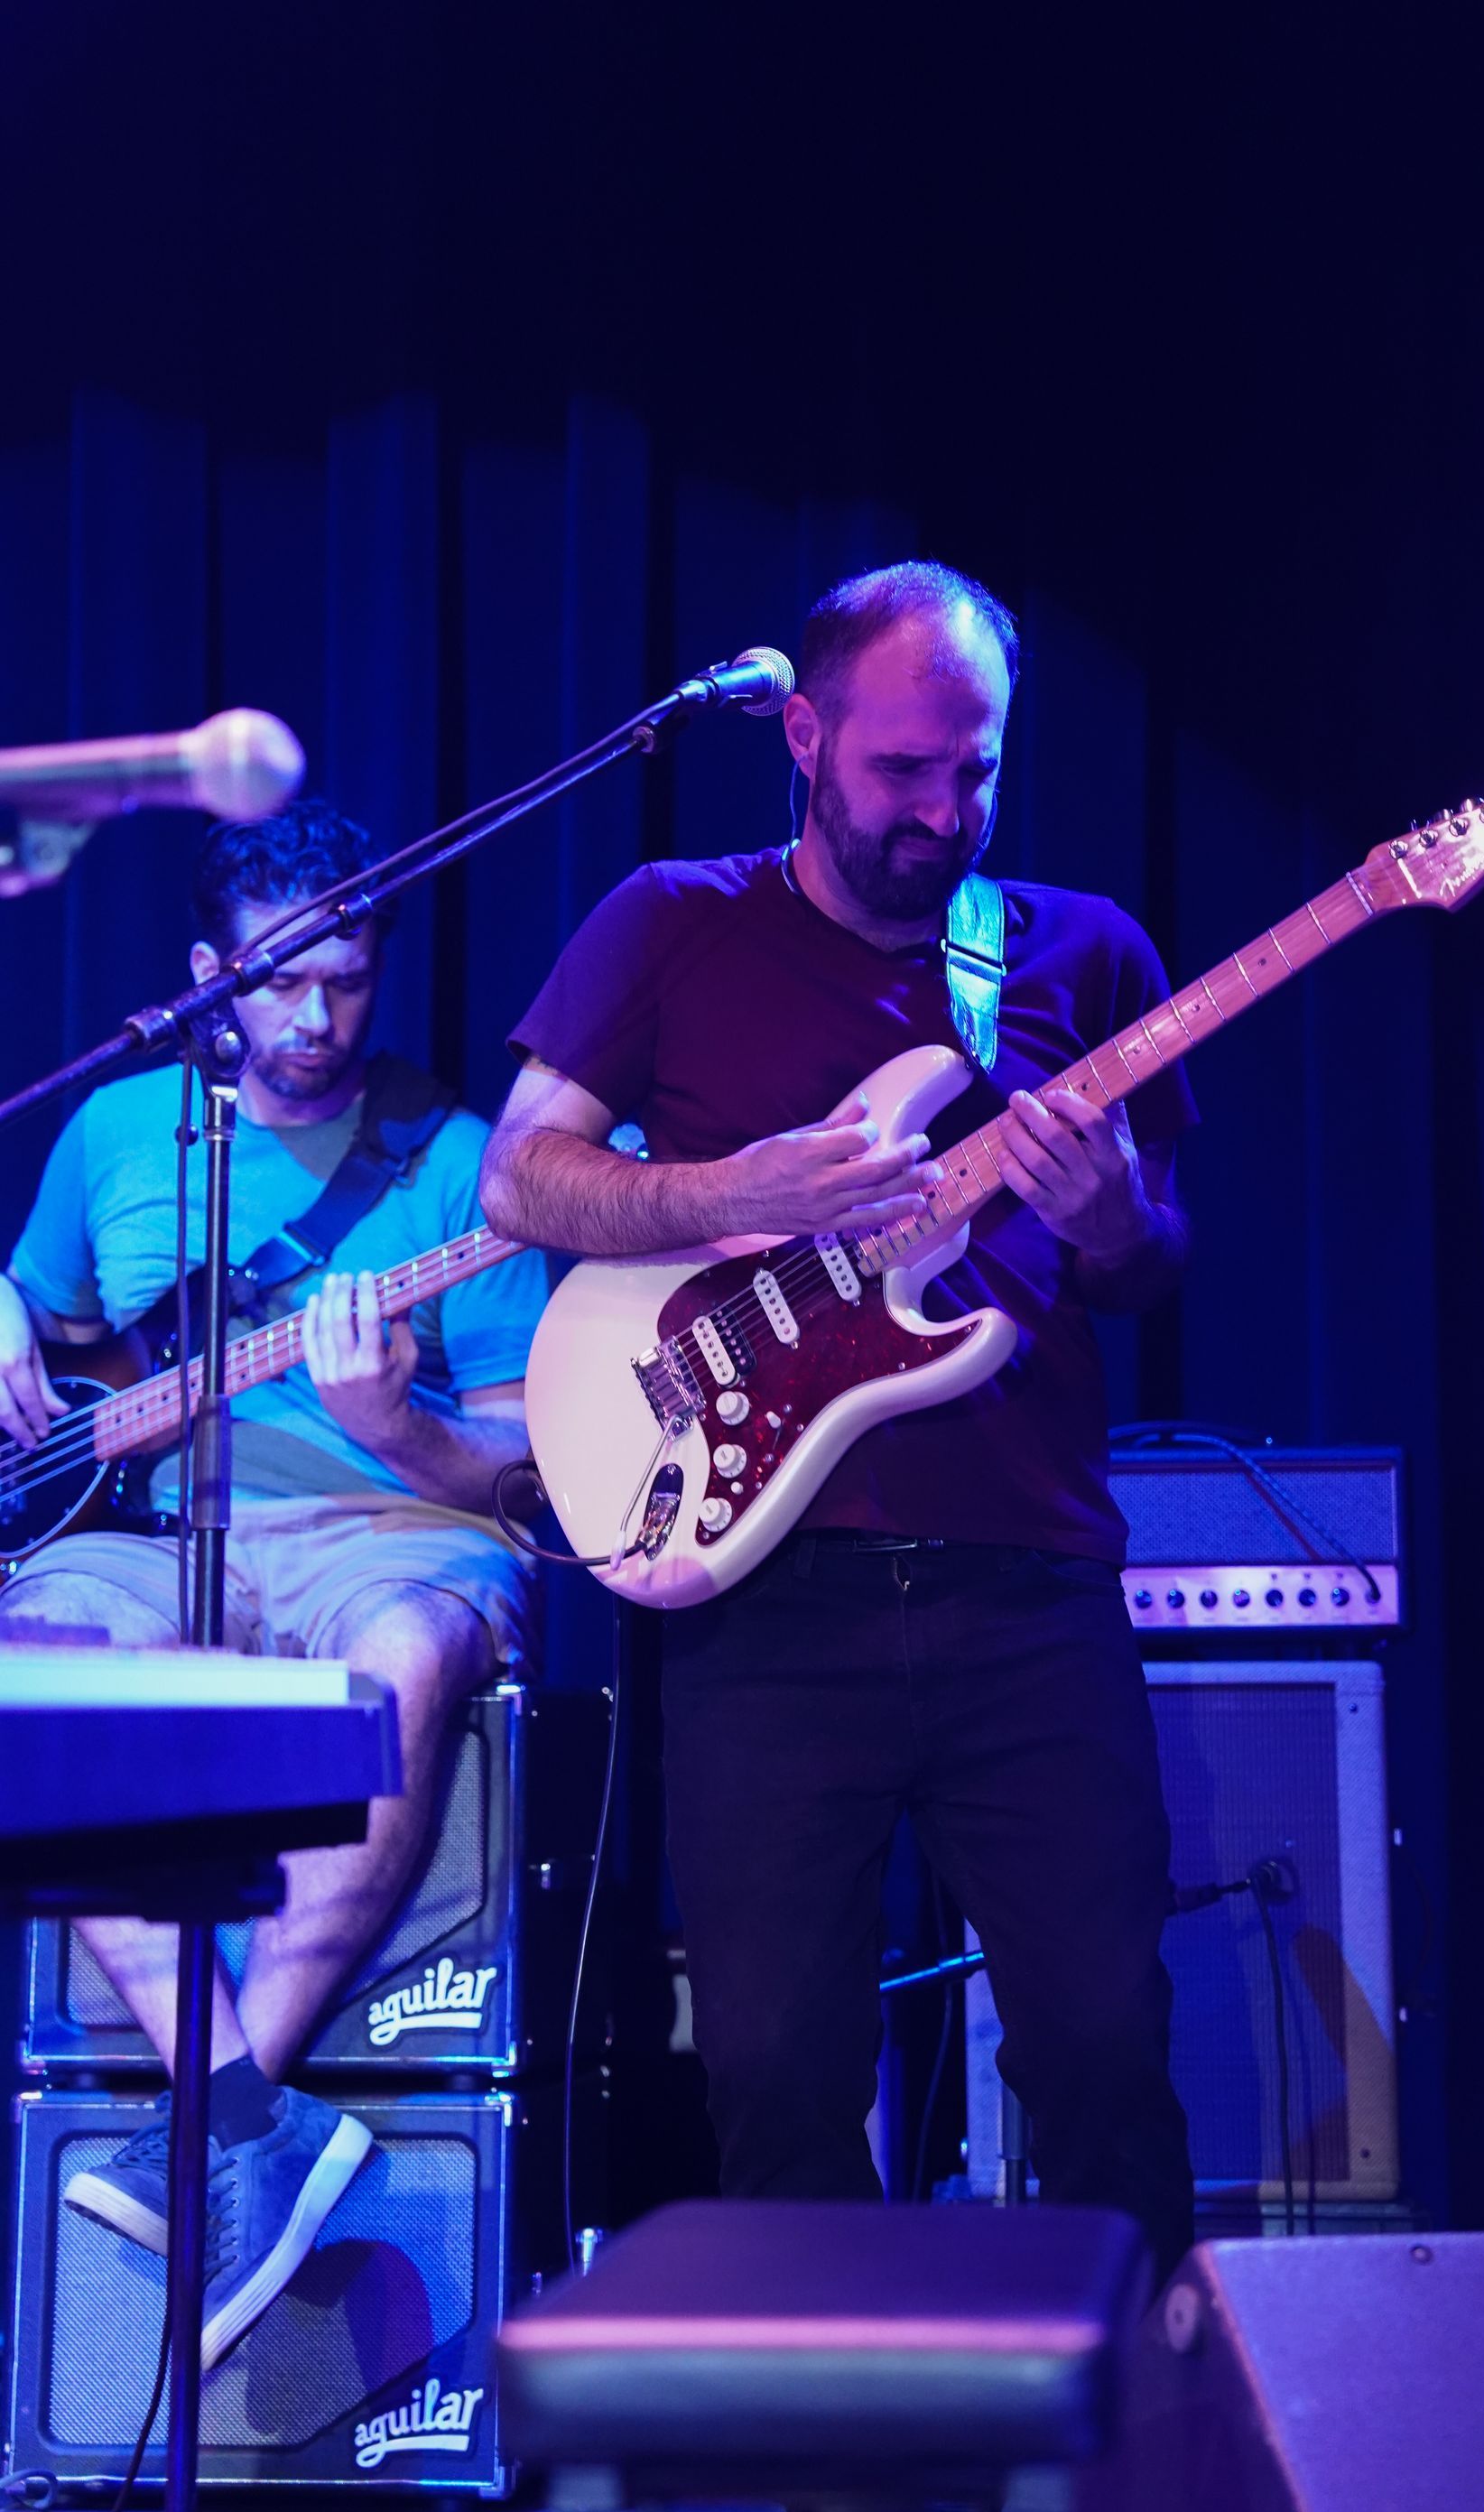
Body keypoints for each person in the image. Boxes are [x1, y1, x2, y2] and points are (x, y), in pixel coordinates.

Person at [481, 560, 1198, 2278]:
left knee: (1106, 2054)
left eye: (980, 771)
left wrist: (1102, 1217)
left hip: (1028, 1590)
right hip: (767, 1600)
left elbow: (1153, 1263)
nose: (944, 810)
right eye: (903, 772)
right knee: (781, 2082)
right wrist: (733, 1188)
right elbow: (521, 1178)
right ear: (803, 736)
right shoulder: (672, 918)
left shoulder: (1081, 955)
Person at [0, 799, 550, 2368]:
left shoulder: (465, 1171)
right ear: (207, 976)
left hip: (393, 1533)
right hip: (158, 1534)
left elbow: (530, 1473)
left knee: (400, 1660)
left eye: (348, 981)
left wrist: (402, 1420)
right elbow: (43, 1306)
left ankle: (211, 2119)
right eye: (280, 980)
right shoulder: (117, 1133)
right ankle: (249, 2119)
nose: (316, 1017)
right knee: (32, 1668)